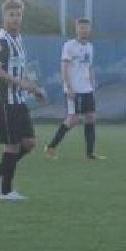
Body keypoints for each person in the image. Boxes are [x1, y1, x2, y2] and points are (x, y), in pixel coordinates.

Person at [0, 0, 46, 201]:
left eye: (18, 15)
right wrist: (19, 82)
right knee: (12, 145)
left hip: (17, 99)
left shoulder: (18, 39)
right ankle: (6, 192)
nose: (15, 19)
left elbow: (19, 71)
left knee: (29, 143)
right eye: (11, 15)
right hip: (3, 100)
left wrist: (34, 89)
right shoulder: (1, 41)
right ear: (4, 17)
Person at [45, 17, 105, 160]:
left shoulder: (90, 47)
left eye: (86, 27)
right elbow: (64, 67)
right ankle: (50, 147)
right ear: (76, 29)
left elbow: (89, 67)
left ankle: (90, 154)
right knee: (73, 119)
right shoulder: (69, 46)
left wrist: (92, 84)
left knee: (91, 117)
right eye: (81, 27)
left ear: (90, 29)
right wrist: (69, 87)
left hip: (87, 89)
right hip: (74, 89)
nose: (84, 30)